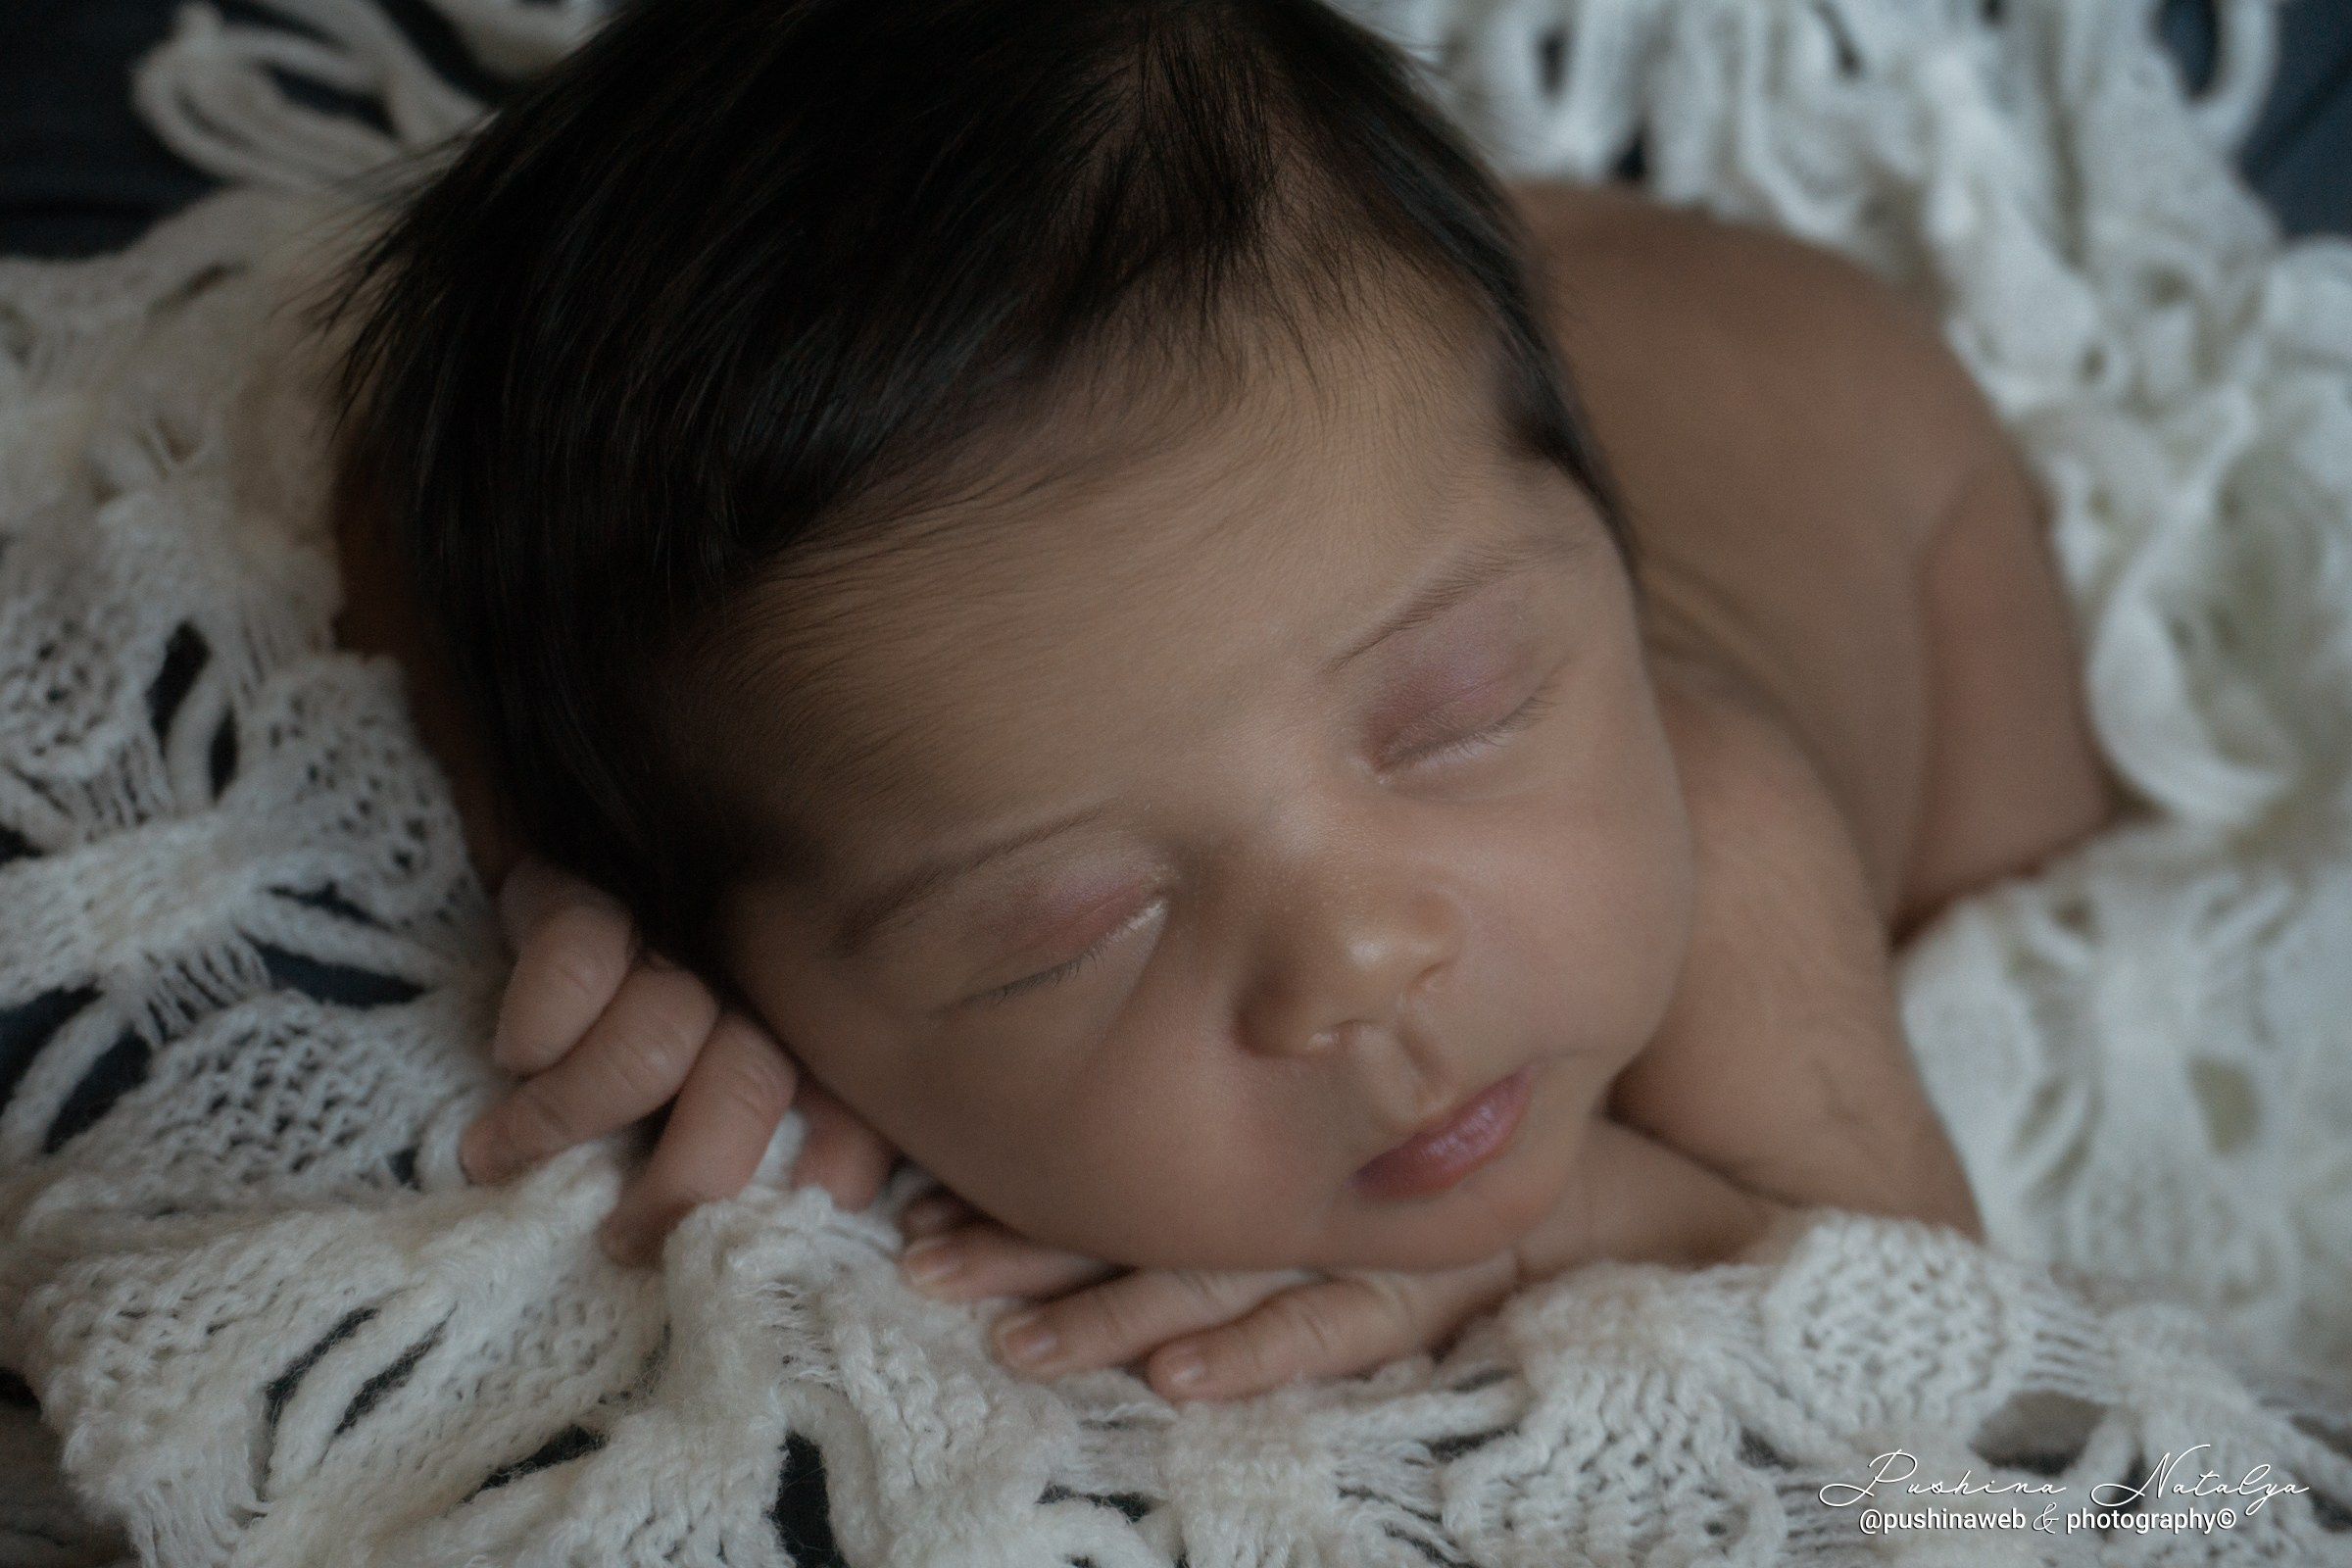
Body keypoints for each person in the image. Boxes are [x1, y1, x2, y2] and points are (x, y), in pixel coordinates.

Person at [327, 0, 2113, 1406]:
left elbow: (1967, 1392)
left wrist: (1563, 1235)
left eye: (1458, 716)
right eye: (1074, 930)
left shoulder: (1731, 839)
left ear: (1613, 568)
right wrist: (552, 864)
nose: (1358, 961)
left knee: (2014, 894)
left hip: (1871, 444)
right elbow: (388, 505)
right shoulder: (812, 792)